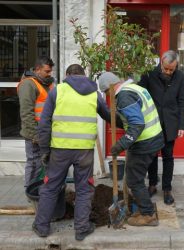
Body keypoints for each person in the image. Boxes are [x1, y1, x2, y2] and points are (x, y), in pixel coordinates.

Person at [32, 64, 113, 241]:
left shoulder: (57, 91)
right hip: (84, 150)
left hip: (60, 149)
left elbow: (44, 124)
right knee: (84, 189)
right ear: (84, 76)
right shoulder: (94, 93)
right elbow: (108, 115)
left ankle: (42, 226)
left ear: (67, 75)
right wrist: (126, 123)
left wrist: (45, 150)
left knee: (51, 187)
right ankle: (82, 228)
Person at [98, 72, 164, 226]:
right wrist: (105, 113)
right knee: (136, 178)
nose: (109, 96)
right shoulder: (135, 88)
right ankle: (144, 209)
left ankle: (148, 215)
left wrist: (120, 145)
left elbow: (136, 124)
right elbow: (126, 121)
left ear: (111, 87)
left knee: (134, 180)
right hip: (153, 138)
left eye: (107, 92)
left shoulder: (124, 96)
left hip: (144, 142)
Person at [138, 50, 184, 205]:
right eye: (166, 68)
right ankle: (152, 185)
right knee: (151, 156)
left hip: (170, 123)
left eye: (171, 69)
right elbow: (140, 94)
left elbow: (183, 101)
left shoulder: (180, 77)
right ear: (161, 62)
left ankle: (167, 188)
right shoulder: (149, 74)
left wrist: (182, 125)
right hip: (152, 122)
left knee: (168, 157)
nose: (168, 72)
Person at [17, 56, 55, 188]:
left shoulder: (47, 83)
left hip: (46, 132)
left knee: (43, 164)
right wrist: (34, 135)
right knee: (34, 163)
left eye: (50, 71)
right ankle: (31, 193)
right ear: (37, 69)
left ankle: (41, 192)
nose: (49, 74)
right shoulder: (28, 84)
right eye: (47, 71)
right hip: (35, 134)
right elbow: (26, 113)